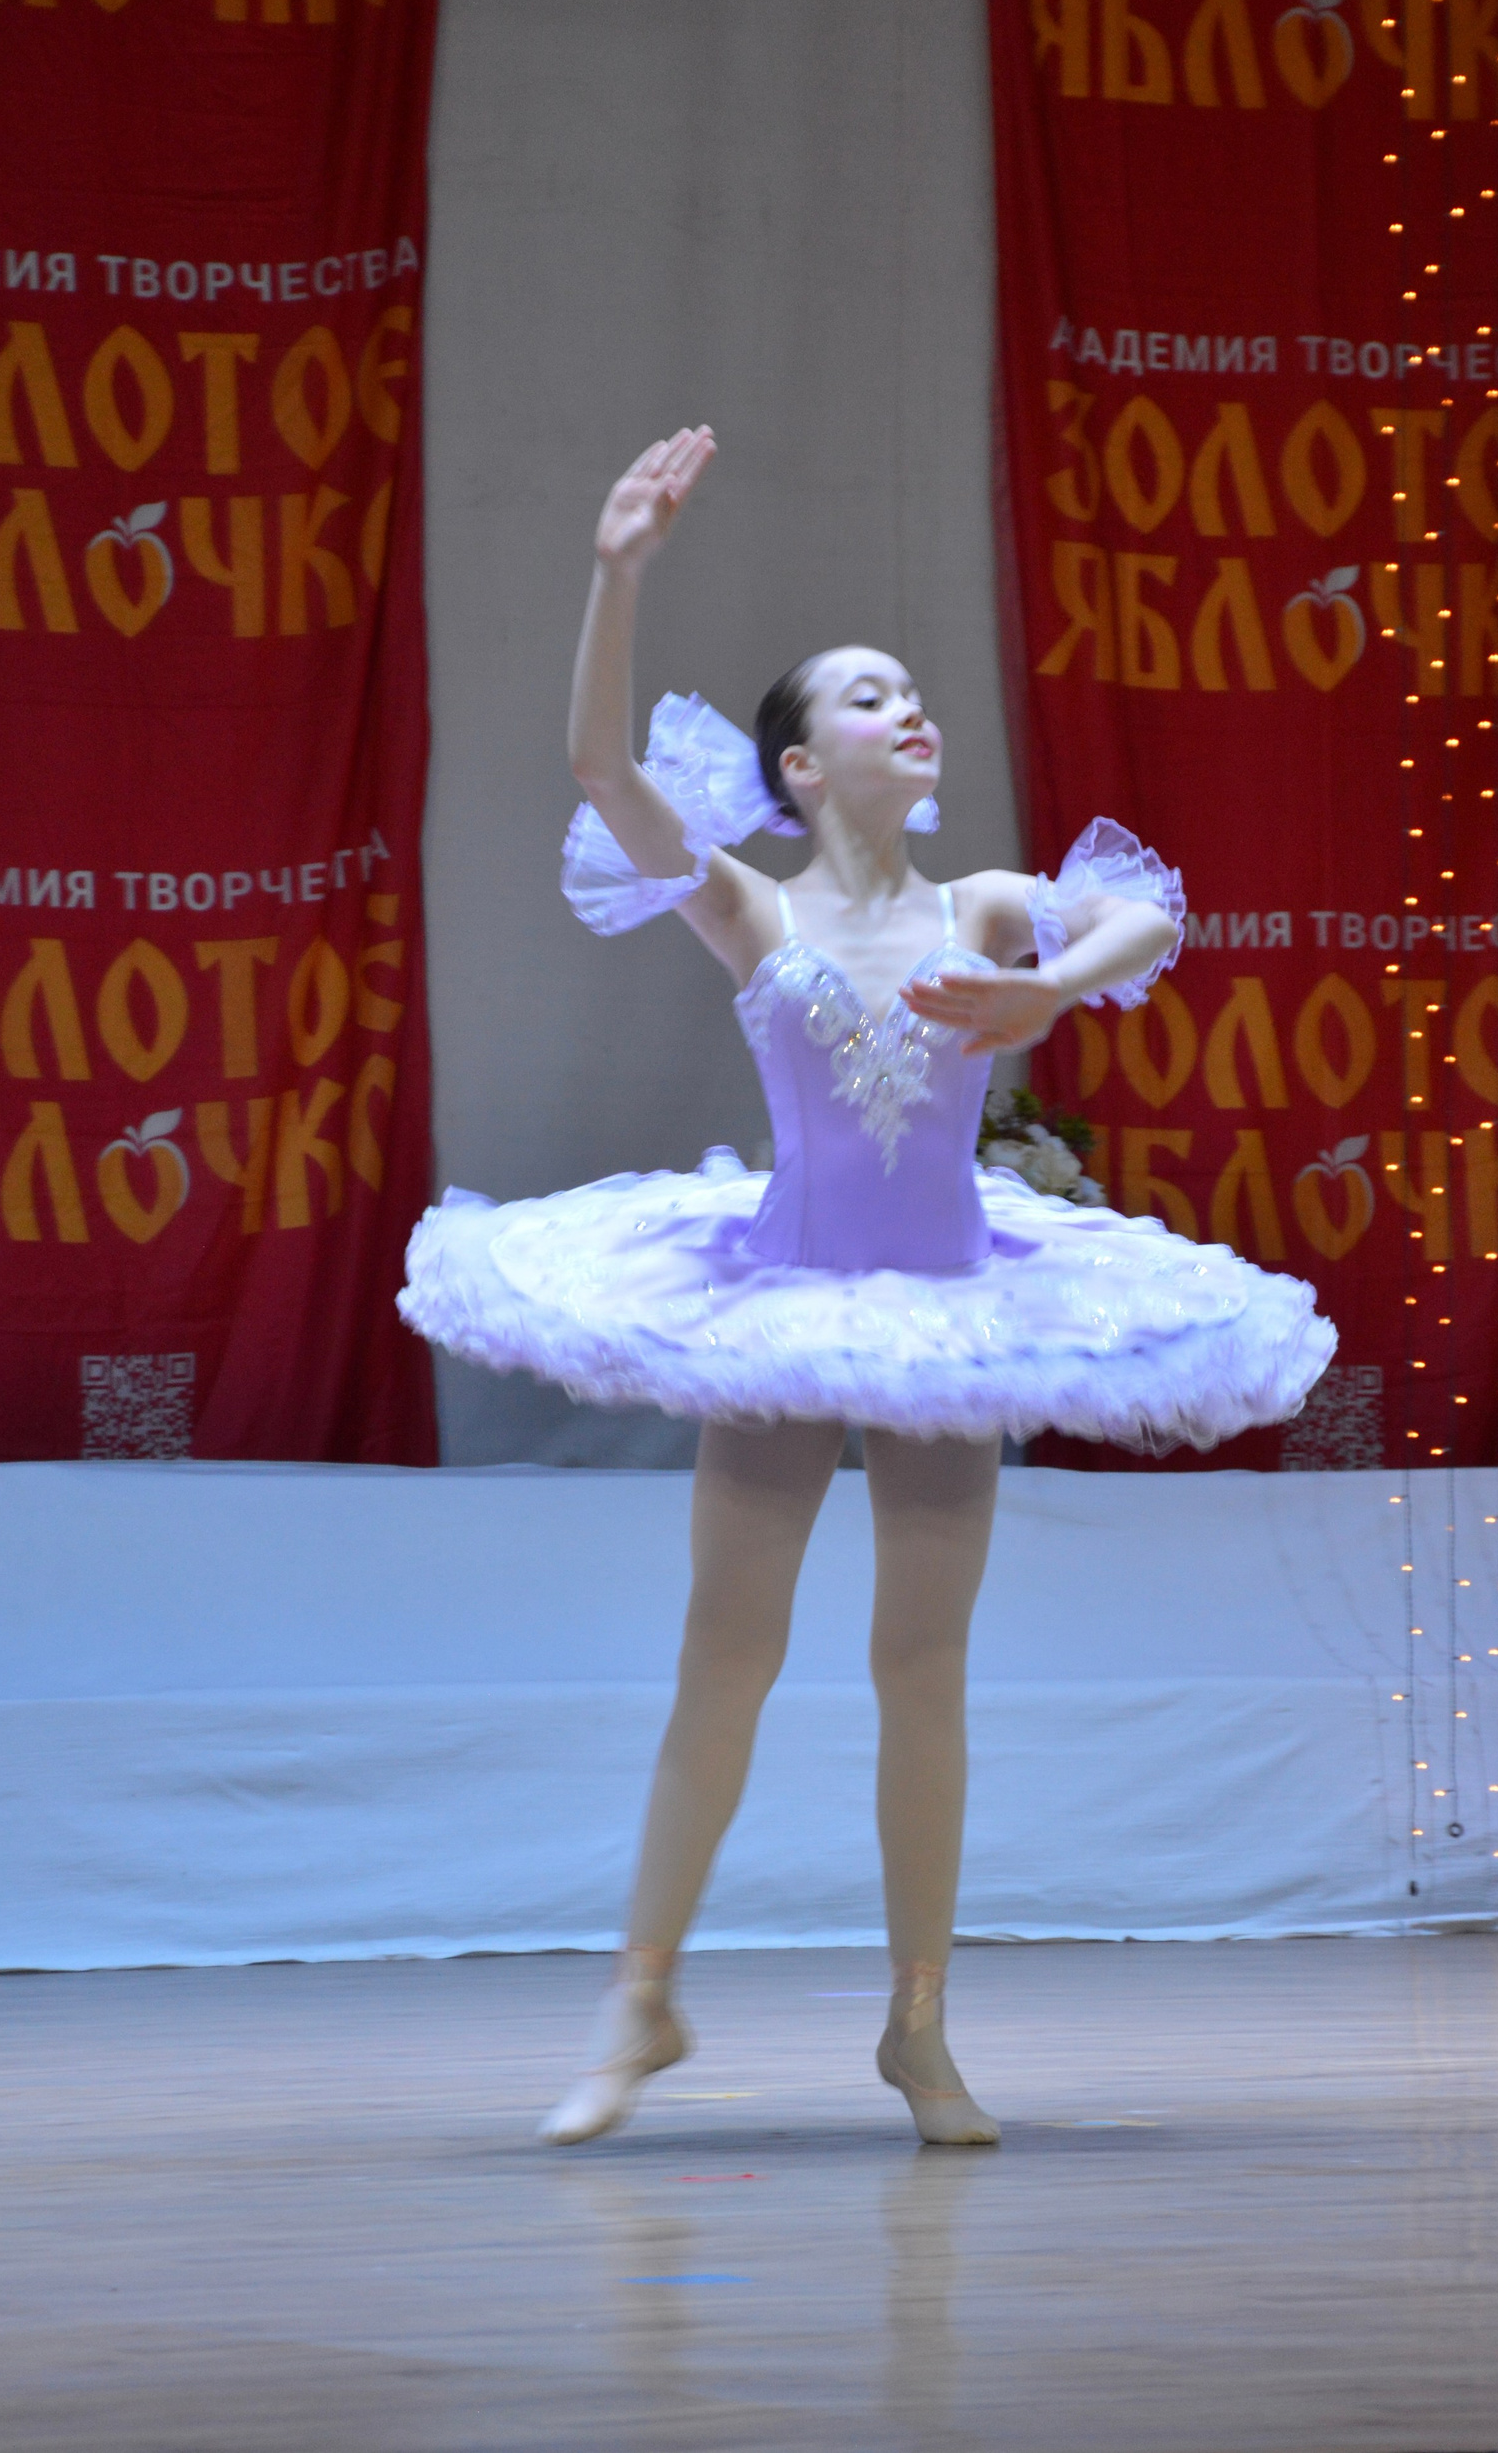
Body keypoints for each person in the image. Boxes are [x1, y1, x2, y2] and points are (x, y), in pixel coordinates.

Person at [400, 427, 1336, 2148]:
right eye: (867, 695)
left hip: (954, 1315)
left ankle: (919, 2030)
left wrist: (1052, 991)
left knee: (925, 1667)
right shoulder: (750, 909)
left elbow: (1138, 919)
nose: (910, 709)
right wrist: (617, 569)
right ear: (800, 764)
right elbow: (600, 767)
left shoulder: (985, 905)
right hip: (787, 1300)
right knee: (726, 1652)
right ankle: (640, 2002)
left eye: (914, 691)